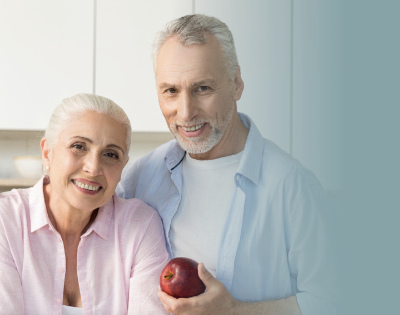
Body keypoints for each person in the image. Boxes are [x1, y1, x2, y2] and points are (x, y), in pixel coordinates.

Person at [117, 14, 337, 315]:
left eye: (202, 89)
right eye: (171, 91)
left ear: (236, 83)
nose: (186, 112)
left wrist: (235, 310)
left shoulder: (293, 186)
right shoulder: (139, 179)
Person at [0, 94, 170, 314]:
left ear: (122, 167)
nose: (93, 167)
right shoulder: (6, 219)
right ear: (47, 153)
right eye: (79, 146)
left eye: (110, 154)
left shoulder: (141, 226)